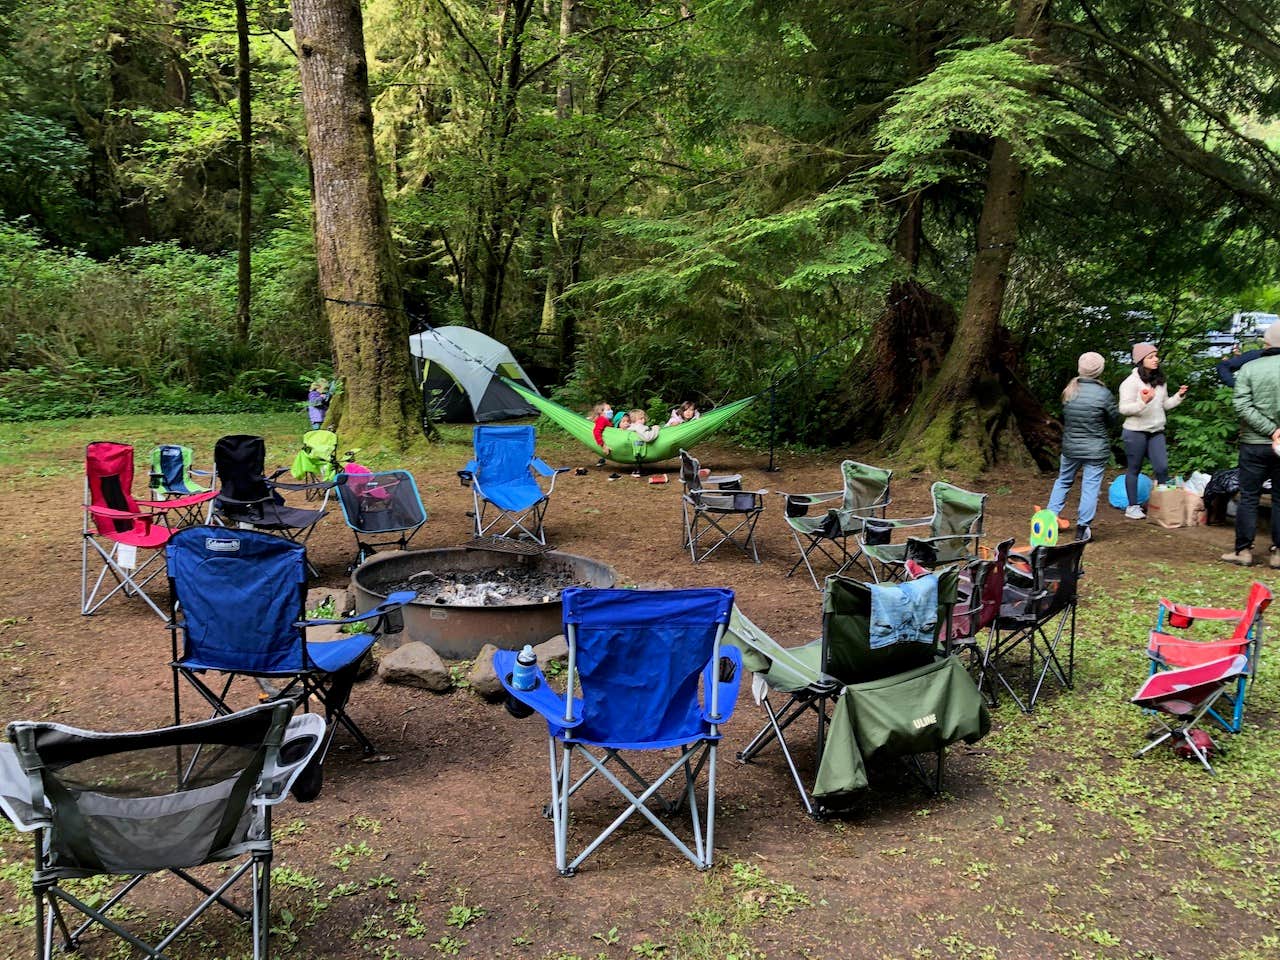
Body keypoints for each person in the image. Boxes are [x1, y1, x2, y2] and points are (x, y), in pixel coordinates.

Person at [1222, 322, 1280, 567]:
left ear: (1266, 343)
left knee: (1248, 497)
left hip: (1254, 444)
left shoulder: (1249, 368)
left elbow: (1242, 406)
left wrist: (1270, 430)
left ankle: (1243, 551)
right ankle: (1278, 553)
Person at [1045, 352, 1118, 541]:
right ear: (1100, 371)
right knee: (1090, 487)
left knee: (1063, 481)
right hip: (1096, 449)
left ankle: (1049, 520)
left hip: (1070, 447)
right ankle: (1083, 529)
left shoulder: (1070, 391)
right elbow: (1113, 420)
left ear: (1080, 368)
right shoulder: (1104, 394)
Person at [1117, 343, 1187, 519]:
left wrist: (1178, 396)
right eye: (1151, 356)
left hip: (1156, 431)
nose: (1156, 359)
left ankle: (1162, 504)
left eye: (1156, 355)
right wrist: (1143, 402)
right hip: (1135, 432)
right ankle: (1132, 507)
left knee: (1162, 467)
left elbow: (1164, 405)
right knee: (1134, 469)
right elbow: (1124, 409)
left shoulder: (1160, 381)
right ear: (1141, 361)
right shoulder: (1130, 383)